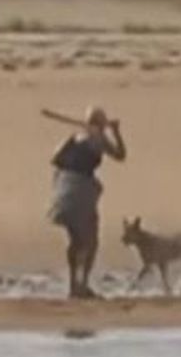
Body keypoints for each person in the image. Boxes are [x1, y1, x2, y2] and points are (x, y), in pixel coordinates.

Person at [45, 106, 126, 298]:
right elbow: (120, 155)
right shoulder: (95, 139)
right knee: (90, 239)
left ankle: (75, 285)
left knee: (76, 240)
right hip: (77, 190)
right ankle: (81, 285)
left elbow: (56, 159)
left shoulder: (75, 137)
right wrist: (116, 133)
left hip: (63, 187)